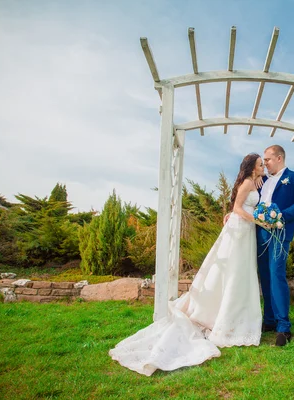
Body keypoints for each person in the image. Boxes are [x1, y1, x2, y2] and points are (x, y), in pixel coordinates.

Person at [109, 153, 265, 375]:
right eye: (260, 165)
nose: (263, 167)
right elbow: (238, 208)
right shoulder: (248, 182)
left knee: (241, 273)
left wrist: (255, 193)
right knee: (235, 272)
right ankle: (224, 318)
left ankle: (235, 316)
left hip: (245, 230)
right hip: (241, 229)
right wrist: (258, 221)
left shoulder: (253, 181)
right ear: (252, 167)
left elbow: (242, 204)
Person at [257, 145, 294, 346]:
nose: (265, 163)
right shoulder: (262, 181)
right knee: (265, 276)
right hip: (260, 233)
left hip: (280, 231)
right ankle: (268, 320)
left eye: (268, 159)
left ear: (279, 158)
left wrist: (281, 216)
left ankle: (283, 326)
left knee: (277, 274)